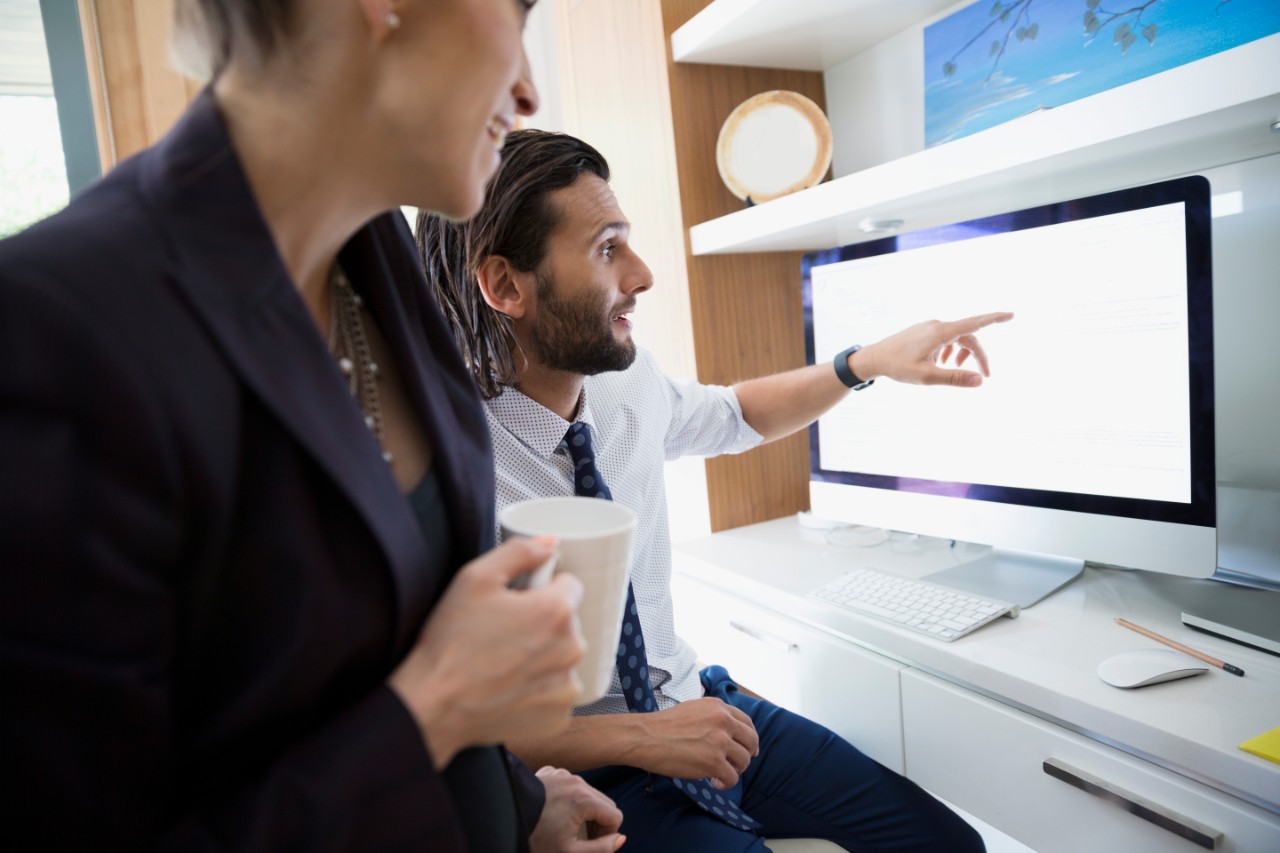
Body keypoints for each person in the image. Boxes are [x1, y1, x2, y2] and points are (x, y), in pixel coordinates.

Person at [0, 3, 624, 851]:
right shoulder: (51, 326)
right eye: (516, 13)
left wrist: (513, 802)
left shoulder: (382, 258)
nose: (527, 87)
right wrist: (436, 711)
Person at [417, 129, 1013, 853]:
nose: (642, 274)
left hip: (699, 707)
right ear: (506, 285)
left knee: (949, 846)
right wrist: (644, 736)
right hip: (581, 770)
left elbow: (734, 414)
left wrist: (865, 362)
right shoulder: (435, 468)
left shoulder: (626, 381)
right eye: (608, 249)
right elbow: (444, 718)